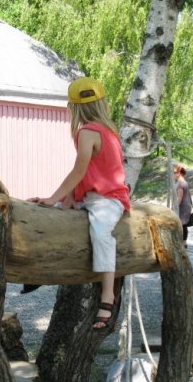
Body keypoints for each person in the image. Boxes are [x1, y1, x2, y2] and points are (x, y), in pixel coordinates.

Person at [28, 77, 130, 329]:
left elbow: (79, 170)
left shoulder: (89, 132)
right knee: (51, 220)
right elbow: (86, 172)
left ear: (74, 108)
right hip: (89, 197)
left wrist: (55, 197)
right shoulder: (105, 131)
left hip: (108, 199)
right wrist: (68, 198)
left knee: (101, 232)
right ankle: (38, 270)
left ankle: (107, 295)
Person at [173, 165, 193, 248]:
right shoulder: (182, 181)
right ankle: (183, 242)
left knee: (182, 224)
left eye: (175, 172)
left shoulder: (181, 183)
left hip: (182, 206)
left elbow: (179, 197)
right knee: (183, 224)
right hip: (186, 205)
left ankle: (183, 243)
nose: (173, 174)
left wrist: (175, 208)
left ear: (179, 173)